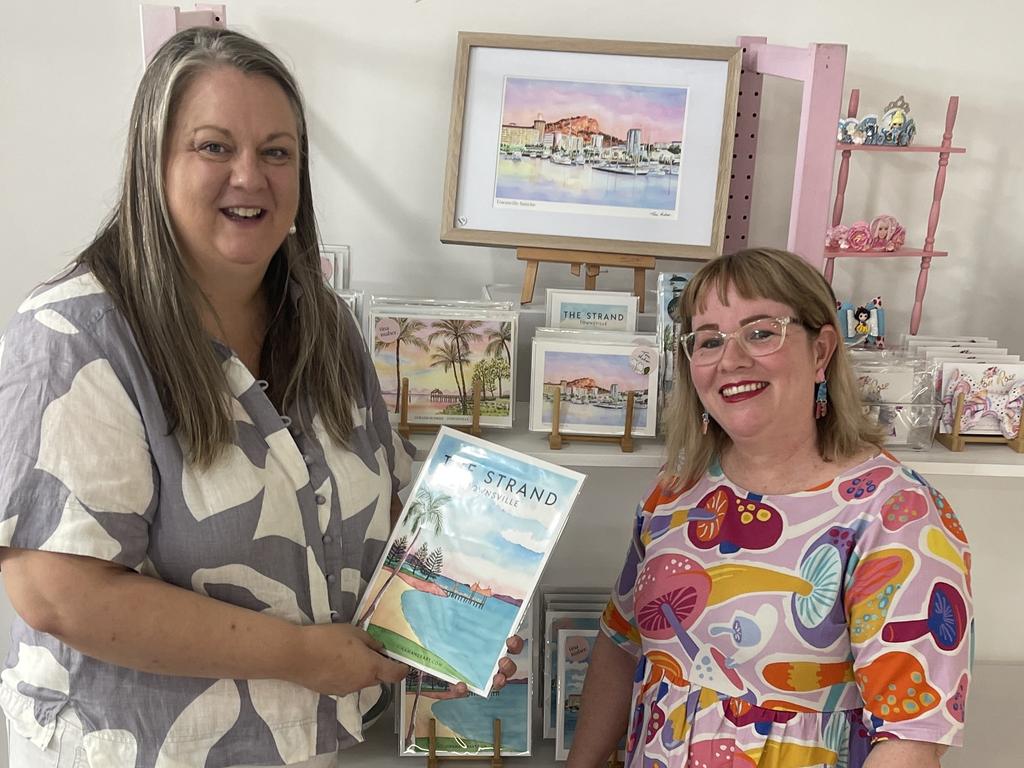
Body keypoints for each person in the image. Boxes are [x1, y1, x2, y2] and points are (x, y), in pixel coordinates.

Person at [0, 27, 518, 768]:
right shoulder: (74, 335)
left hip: (300, 746)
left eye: (277, 152)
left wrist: (458, 622)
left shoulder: (325, 326)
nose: (250, 175)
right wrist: (303, 657)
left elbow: (394, 507)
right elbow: (58, 592)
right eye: (214, 147)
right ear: (154, 164)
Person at [568, 248, 972, 768]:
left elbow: (911, 738)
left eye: (761, 332)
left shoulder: (897, 514)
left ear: (821, 350)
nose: (731, 360)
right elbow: (621, 645)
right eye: (709, 340)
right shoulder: (676, 491)